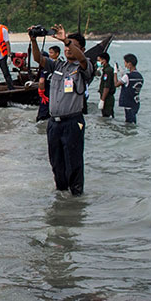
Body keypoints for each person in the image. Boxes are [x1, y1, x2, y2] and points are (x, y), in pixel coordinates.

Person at [29, 25, 93, 196]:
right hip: (54, 123)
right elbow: (38, 59)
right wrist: (33, 40)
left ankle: (76, 198)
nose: (67, 49)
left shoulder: (83, 67)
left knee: (74, 162)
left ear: (82, 49)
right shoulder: (58, 66)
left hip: (72, 122)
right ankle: (62, 196)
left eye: (72, 45)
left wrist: (65, 39)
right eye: (66, 46)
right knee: (56, 162)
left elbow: (83, 60)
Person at [116, 54, 143, 123]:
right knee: (133, 121)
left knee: (129, 123)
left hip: (128, 103)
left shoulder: (127, 76)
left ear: (129, 64)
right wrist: (122, 75)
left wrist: (115, 73)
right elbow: (130, 85)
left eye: (125, 63)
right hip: (135, 103)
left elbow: (116, 84)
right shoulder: (140, 76)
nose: (125, 65)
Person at [97, 52, 115, 118]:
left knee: (107, 116)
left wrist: (102, 100)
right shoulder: (105, 70)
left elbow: (106, 86)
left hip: (107, 98)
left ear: (104, 61)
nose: (98, 62)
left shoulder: (108, 71)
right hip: (106, 97)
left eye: (99, 60)